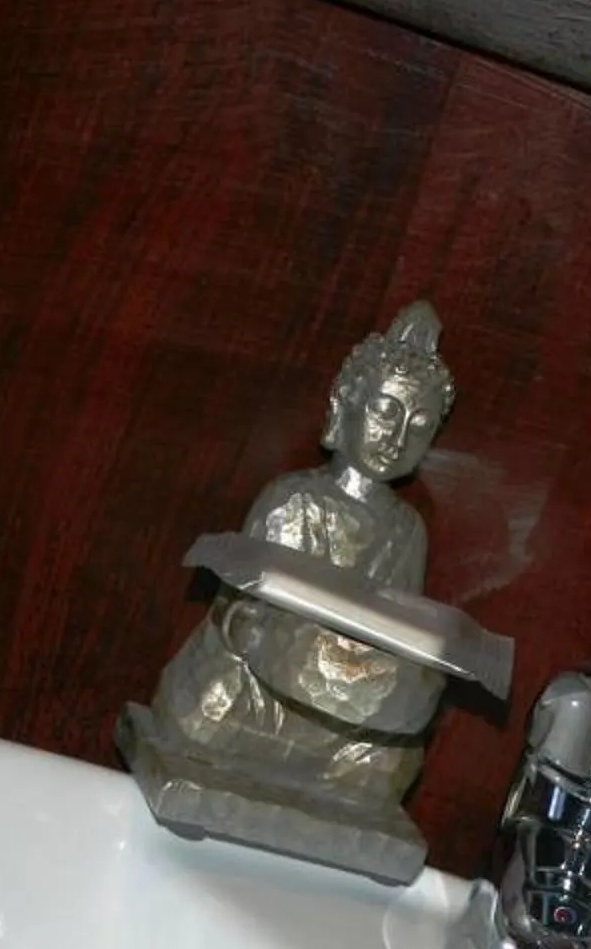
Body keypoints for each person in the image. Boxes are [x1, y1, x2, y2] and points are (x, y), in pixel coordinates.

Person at [142, 302, 455, 816]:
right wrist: (311, 656)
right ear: (344, 403)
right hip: (261, 694)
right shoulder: (293, 499)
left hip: (342, 710)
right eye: (385, 412)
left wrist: (401, 676)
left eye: (419, 425)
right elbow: (246, 622)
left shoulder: (408, 529)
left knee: (390, 758)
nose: (396, 438)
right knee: (211, 706)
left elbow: (396, 638)